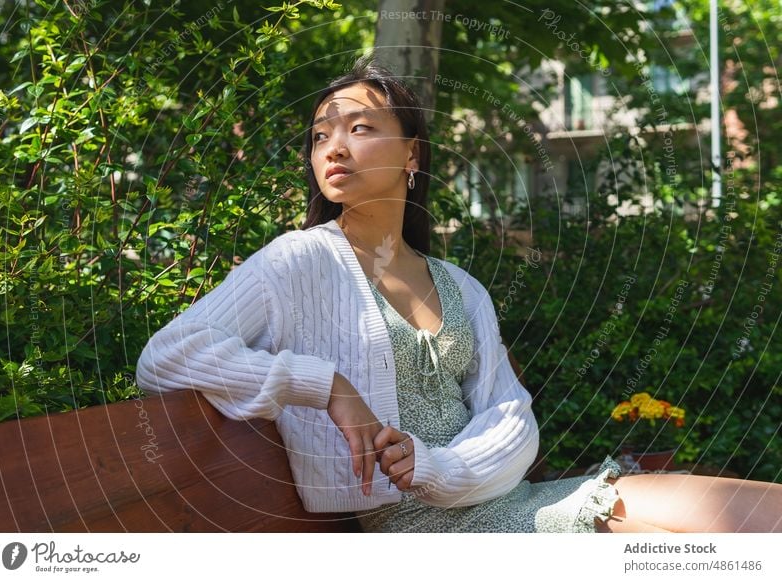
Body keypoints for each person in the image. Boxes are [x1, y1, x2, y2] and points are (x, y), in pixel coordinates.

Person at [137, 56, 782, 533]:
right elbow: (166, 356)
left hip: (499, 502)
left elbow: (510, 416)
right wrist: (324, 383)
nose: (333, 146)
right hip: (417, 535)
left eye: (359, 127)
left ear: (412, 154)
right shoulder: (296, 261)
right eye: (320, 134)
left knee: (760, 517)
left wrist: (439, 468)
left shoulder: (459, 285)